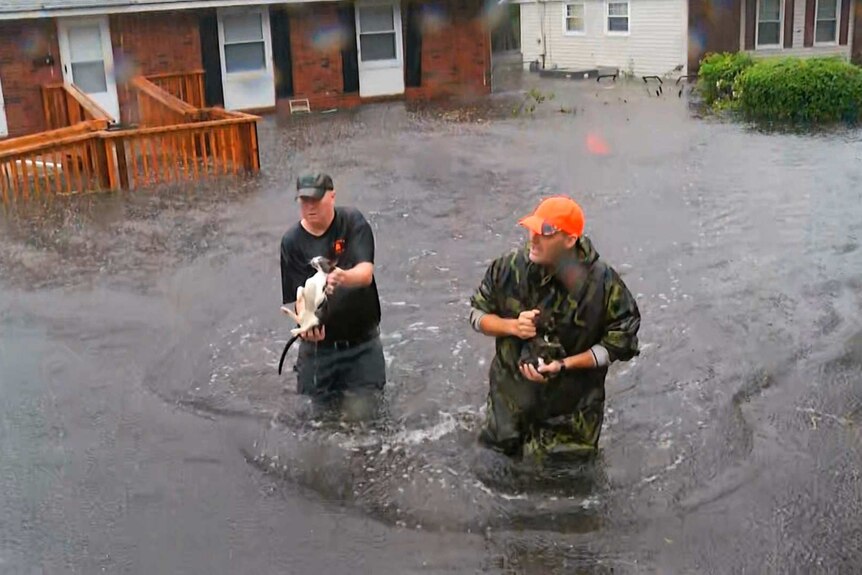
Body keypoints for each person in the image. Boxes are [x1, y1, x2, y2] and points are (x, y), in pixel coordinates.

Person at [469, 195, 640, 459]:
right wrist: (512, 326)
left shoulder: (603, 284)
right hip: (508, 407)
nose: (533, 239)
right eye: (532, 229)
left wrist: (564, 365)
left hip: (570, 420)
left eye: (545, 232)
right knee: (491, 471)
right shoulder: (507, 268)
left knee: (564, 491)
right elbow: (476, 314)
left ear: (570, 240)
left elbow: (623, 343)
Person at [280, 172, 386, 411]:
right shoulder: (291, 242)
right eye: (304, 200)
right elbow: (297, 298)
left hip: (362, 346)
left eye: (315, 199)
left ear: (332, 196)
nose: (309, 206)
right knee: (313, 422)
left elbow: (365, 273)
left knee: (362, 417)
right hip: (318, 352)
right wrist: (307, 324)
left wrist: (342, 276)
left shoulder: (352, 222)